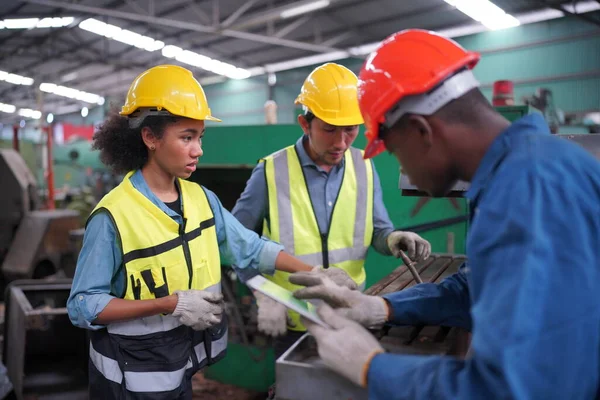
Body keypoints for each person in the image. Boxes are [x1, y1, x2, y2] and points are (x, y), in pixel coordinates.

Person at [290, 29, 600, 399]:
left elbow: (510, 390)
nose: (399, 163)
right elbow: (476, 289)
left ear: (422, 131)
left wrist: (372, 367)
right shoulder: (522, 172)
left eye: (392, 148)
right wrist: (382, 307)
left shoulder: (529, 190)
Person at [66, 64, 346, 400]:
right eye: (186, 137)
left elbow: (251, 249)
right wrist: (171, 304)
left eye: (199, 137)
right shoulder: (113, 216)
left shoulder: (201, 199)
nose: (198, 150)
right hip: (128, 381)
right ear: (150, 137)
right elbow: (83, 305)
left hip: (181, 369)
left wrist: (316, 273)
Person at [231, 62, 431, 357]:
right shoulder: (271, 172)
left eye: (350, 130)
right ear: (304, 123)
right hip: (292, 321)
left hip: (349, 313)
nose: (341, 143)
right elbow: (236, 242)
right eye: (329, 130)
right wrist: (264, 294)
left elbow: (378, 229)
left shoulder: (364, 165)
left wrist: (392, 239)